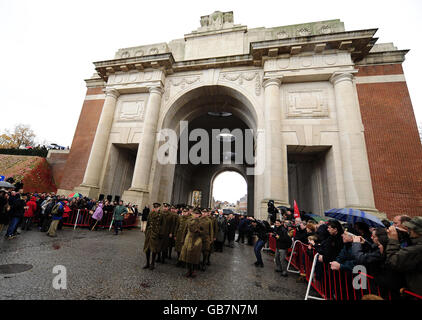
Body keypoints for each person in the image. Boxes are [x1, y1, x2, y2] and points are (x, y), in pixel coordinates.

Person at [386, 216, 422, 295]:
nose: (409, 230)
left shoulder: (417, 249)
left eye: (410, 229)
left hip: (417, 292)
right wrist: (406, 235)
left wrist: (393, 239)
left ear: (418, 231)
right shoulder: (417, 244)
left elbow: (393, 261)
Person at [179, 208, 203, 278]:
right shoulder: (189, 220)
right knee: (188, 255)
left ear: (199, 215)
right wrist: (182, 239)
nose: (196, 215)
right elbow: (185, 230)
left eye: (197, 214)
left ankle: (194, 271)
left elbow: (204, 232)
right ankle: (189, 270)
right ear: (192, 214)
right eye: (195, 213)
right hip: (188, 239)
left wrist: (199, 231)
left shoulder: (201, 222)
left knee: (195, 256)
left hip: (197, 240)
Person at [143, 203, 163, 270]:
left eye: (157, 207)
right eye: (154, 207)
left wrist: (160, 233)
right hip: (149, 233)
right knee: (147, 249)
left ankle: (152, 264)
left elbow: (163, 225)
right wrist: (146, 231)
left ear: (159, 207)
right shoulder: (151, 213)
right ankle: (147, 263)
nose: (156, 208)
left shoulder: (161, 215)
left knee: (153, 249)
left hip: (155, 234)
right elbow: (148, 223)